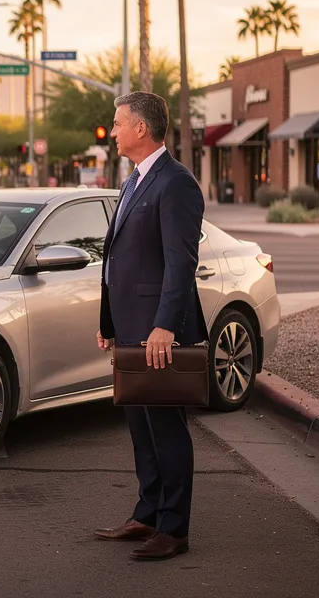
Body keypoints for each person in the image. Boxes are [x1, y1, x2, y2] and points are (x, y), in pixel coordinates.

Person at [94, 91, 208, 560]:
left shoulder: (175, 183)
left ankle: (174, 528)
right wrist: (108, 320)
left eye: (119, 123)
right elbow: (117, 257)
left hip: (157, 331)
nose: (112, 130)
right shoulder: (133, 182)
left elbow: (180, 263)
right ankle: (147, 514)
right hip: (128, 326)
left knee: (166, 428)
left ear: (141, 128)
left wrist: (165, 326)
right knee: (140, 426)